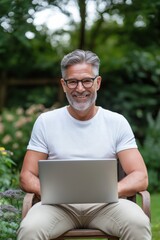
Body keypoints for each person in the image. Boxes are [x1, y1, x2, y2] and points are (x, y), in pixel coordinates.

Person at [17, 49, 151, 240]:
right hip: (57, 206)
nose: (80, 88)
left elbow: (140, 177)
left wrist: (109, 191)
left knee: (138, 223)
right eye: (72, 81)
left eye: (87, 80)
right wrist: (53, 192)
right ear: (63, 85)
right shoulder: (46, 122)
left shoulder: (116, 122)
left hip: (108, 205)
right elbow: (26, 176)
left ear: (98, 82)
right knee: (30, 229)